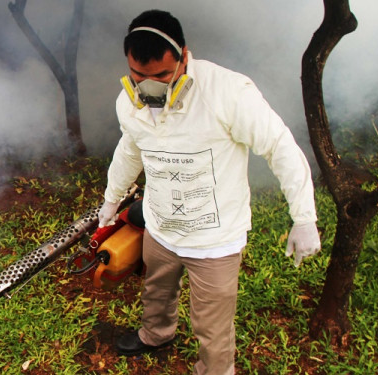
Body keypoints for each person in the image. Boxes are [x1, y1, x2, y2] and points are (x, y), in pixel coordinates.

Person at [98, 9, 322, 375]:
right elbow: (130, 148)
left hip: (214, 240)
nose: (149, 88)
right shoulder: (129, 102)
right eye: (139, 76)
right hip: (161, 226)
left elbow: (279, 146)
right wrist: (111, 198)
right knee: (156, 291)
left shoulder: (229, 93)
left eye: (161, 76)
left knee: (212, 328)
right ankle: (156, 333)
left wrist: (304, 218)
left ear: (184, 56)